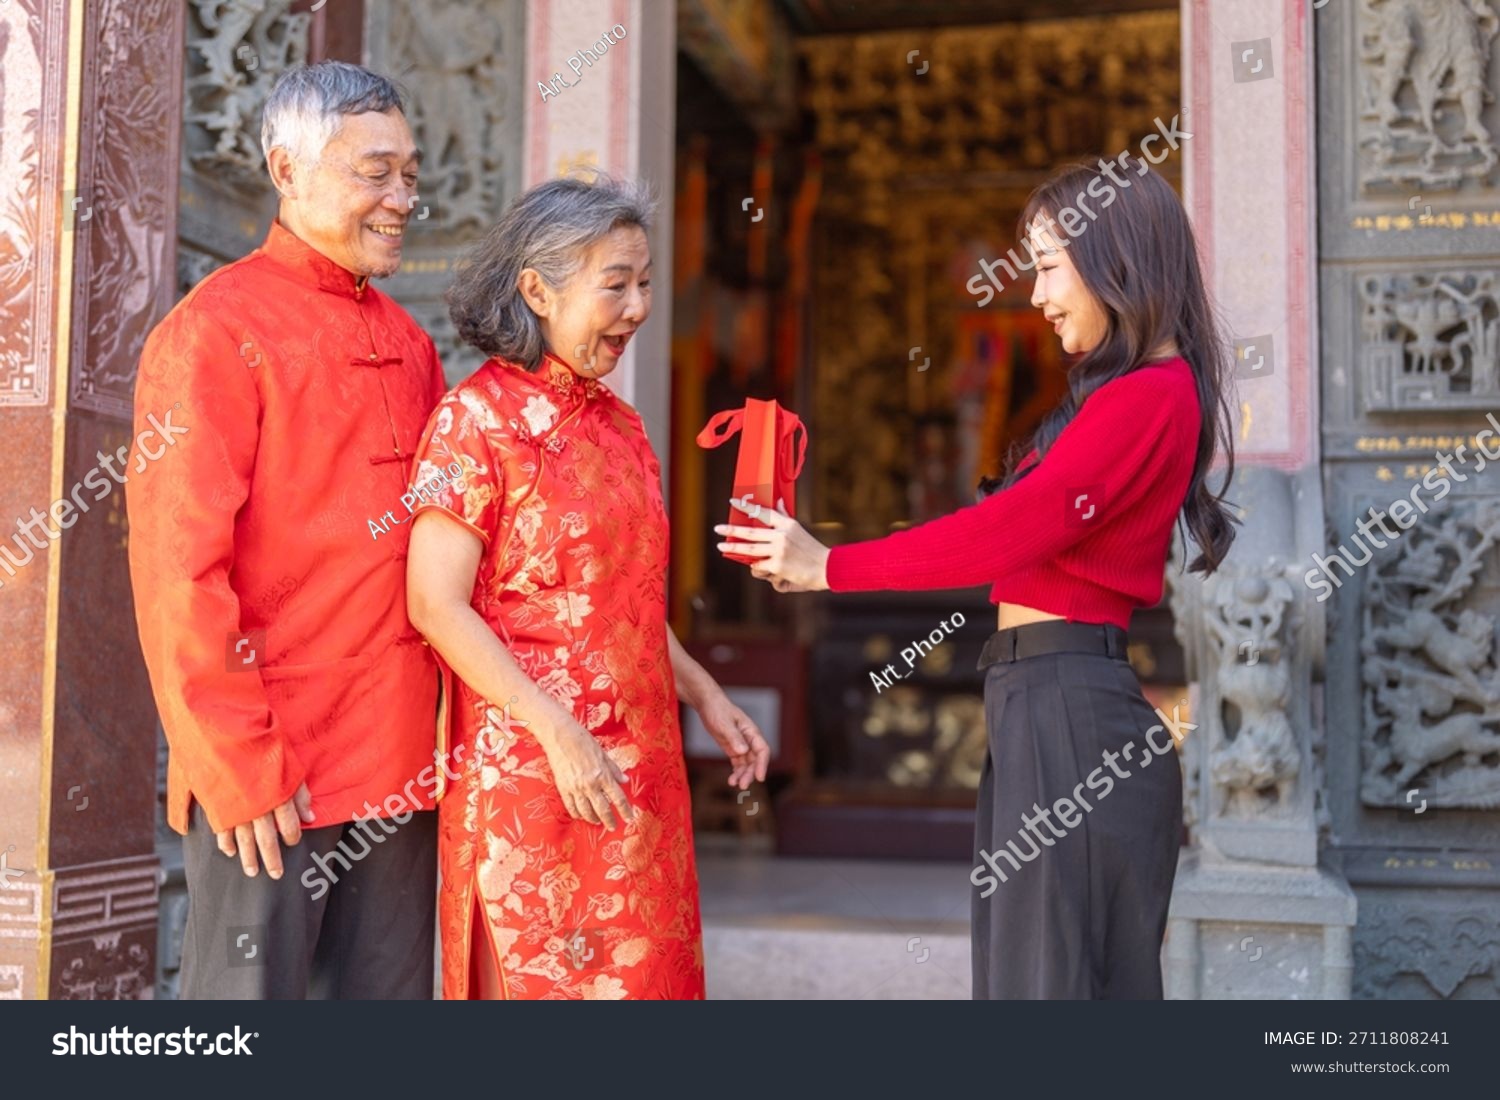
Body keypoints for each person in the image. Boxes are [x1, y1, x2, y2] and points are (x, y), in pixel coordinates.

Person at [718, 159, 1237, 1000]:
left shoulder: (1149, 395)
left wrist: (828, 566)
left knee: (1045, 992)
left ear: (1114, 258)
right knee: (1031, 985)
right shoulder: (1129, 395)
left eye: (1045, 265)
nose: (1033, 296)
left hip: (1070, 715)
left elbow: (1008, 531)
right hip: (1045, 703)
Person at [405, 175, 770, 1000]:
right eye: (616, 285)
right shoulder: (477, 422)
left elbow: (626, 600)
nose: (638, 307)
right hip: (534, 777)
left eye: (644, 284)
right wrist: (557, 730)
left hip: (638, 775)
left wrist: (706, 693)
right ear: (537, 289)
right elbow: (435, 604)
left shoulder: (623, 426)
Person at [128, 61, 447, 999]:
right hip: (276, 774)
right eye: (375, 172)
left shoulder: (413, 342)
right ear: (287, 169)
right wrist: (237, 763)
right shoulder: (214, 331)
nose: (402, 198)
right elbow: (178, 570)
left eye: (412, 174)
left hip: (402, 768)